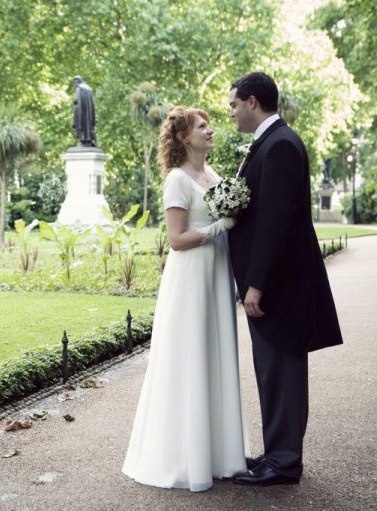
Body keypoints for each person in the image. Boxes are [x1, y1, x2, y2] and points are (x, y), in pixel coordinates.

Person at [122, 106, 248, 492]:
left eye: (208, 125)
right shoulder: (177, 180)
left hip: (215, 274)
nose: (210, 131)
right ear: (182, 138)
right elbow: (177, 240)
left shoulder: (213, 175)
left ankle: (220, 454)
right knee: (191, 355)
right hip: (191, 277)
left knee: (215, 354)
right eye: (202, 127)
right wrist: (217, 227)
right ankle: (183, 457)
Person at [227, 72, 343, 486]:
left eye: (234, 104)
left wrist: (255, 283)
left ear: (254, 101)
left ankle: (285, 461)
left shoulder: (279, 147)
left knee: (282, 369)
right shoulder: (274, 143)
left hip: (278, 286)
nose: (232, 112)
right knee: (272, 370)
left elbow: (275, 223)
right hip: (278, 282)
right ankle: (277, 452)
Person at [72, 76, 97, 146]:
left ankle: (84, 138)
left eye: (75, 82)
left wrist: (75, 102)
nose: (75, 84)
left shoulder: (79, 89)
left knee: (82, 125)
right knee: (88, 125)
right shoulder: (89, 89)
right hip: (89, 114)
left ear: (78, 81)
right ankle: (88, 138)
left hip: (81, 114)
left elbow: (77, 102)